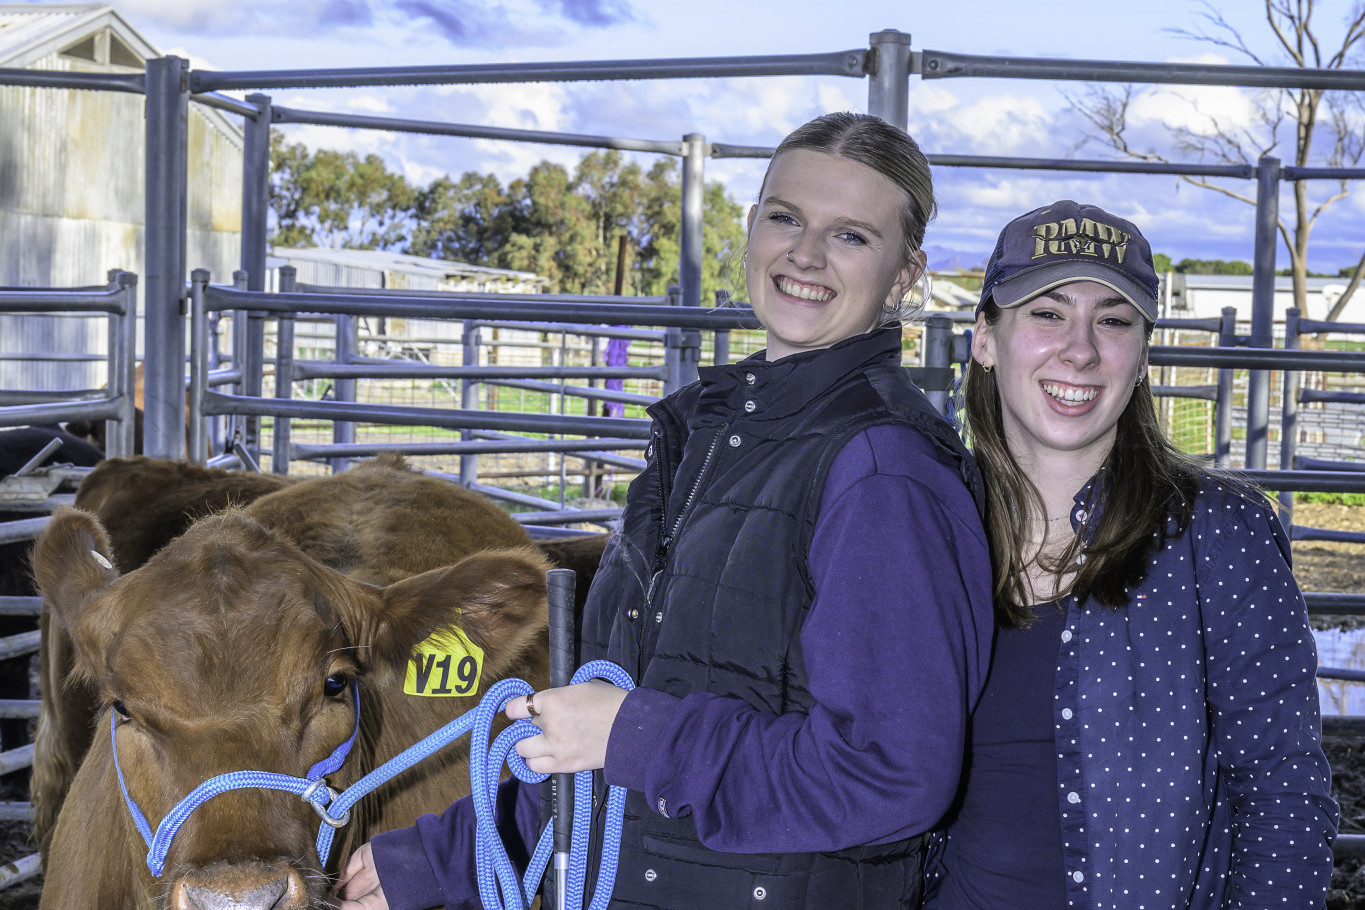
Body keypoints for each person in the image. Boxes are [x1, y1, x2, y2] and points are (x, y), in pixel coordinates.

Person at [335, 111, 995, 910]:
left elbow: (888, 776)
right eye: (785, 217)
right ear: (751, 227)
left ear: (904, 275)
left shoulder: (883, 473)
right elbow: (609, 722)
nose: (806, 254)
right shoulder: (704, 435)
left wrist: (633, 734)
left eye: (851, 236)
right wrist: (450, 855)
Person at [923, 200, 1340, 909]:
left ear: (1143, 354)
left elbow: (1284, 799)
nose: (1080, 349)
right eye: (1046, 313)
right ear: (985, 340)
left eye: (1113, 320)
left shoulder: (1219, 535)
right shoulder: (918, 524)